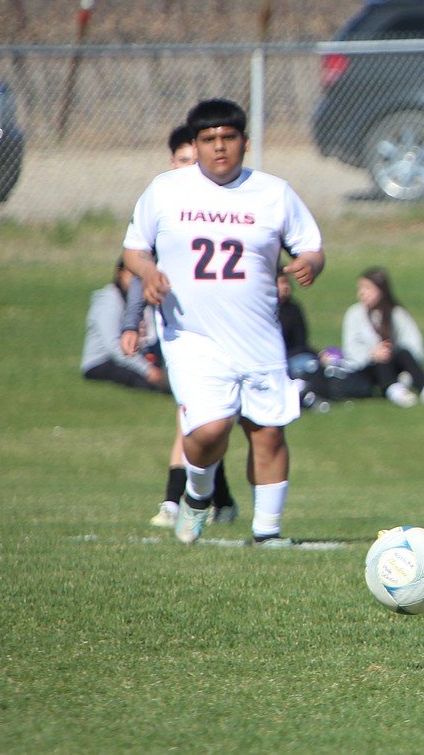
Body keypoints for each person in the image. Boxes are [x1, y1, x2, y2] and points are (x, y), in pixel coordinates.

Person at [122, 98, 325, 547]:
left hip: (258, 336)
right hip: (192, 336)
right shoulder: (166, 189)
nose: (219, 147)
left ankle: (268, 534)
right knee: (210, 429)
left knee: (267, 432)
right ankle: (197, 494)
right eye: (209, 139)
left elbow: (310, 246)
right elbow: (134, 249)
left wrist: (310, 263)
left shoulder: (273, 192)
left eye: (228, 138)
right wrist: (148, 272)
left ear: (244, 142)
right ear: (195, 145)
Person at [120, 124, 238, 529]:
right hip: (180, 333)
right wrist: (131, 320)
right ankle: (177, 501)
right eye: (186, 160)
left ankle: (215, 497)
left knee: (211, 421)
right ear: (173, 163)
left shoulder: (228, 204)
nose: (195, 167)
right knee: (193, 415)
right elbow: (139, 265)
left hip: (230, 330)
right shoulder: (165, 202)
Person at [335, 266, 424, 407]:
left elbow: (413, 343)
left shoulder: (397, 313)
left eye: (367, 288)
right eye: (360, 289)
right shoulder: (354, 314)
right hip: (366, 368)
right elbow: (350, 347)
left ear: (381, 290)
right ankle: (393, 389)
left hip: (395, 364)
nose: (362, 293)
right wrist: (372, 354)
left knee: (402, 352)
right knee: (382, 359)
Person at [81, 257, 169, 392]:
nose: (136, 282)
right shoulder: (108, 300)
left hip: (134, 357)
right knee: (147, 383)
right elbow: (114, 346)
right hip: (103, 361)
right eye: (132, 275)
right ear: (120, 273)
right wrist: (148, 370)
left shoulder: (143, 299)